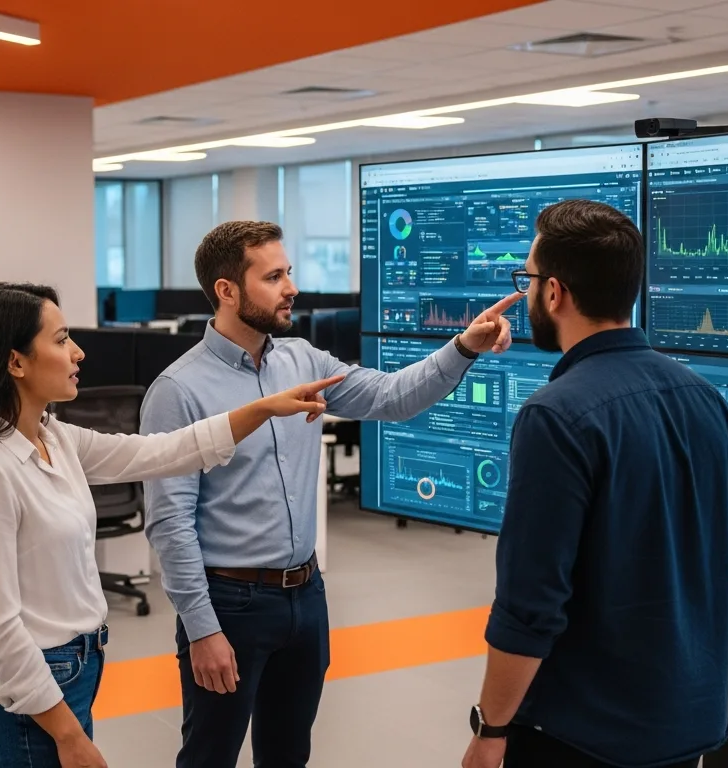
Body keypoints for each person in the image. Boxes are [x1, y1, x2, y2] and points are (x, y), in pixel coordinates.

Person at [141, 220, 521, 768]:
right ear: (227, 291)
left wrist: (463, 346)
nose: (291, 287)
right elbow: (170, 522)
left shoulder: (304, 361)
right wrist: (202, 629)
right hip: (231, 604)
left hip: (305, 596)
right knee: (208, 756)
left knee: (289, 754)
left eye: (288, 272)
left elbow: (393, 397)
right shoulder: (178, 391)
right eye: (273, 276)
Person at [0, 282, 345, 768]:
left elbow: (161, 451)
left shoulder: (53, 437)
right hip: (27, 703)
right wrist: (68, 735)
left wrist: (263, 407)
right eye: (60, 340)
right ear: (16, 363)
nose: (78, 352)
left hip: (68, 678)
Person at [461, 200, 728, 768]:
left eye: (529, 279)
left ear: (554, 293)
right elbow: (724, 549)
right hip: (682, 723)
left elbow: (530, 605)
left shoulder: (556, 416)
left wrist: (491, 728)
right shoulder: (707, 400)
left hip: (583, 735)